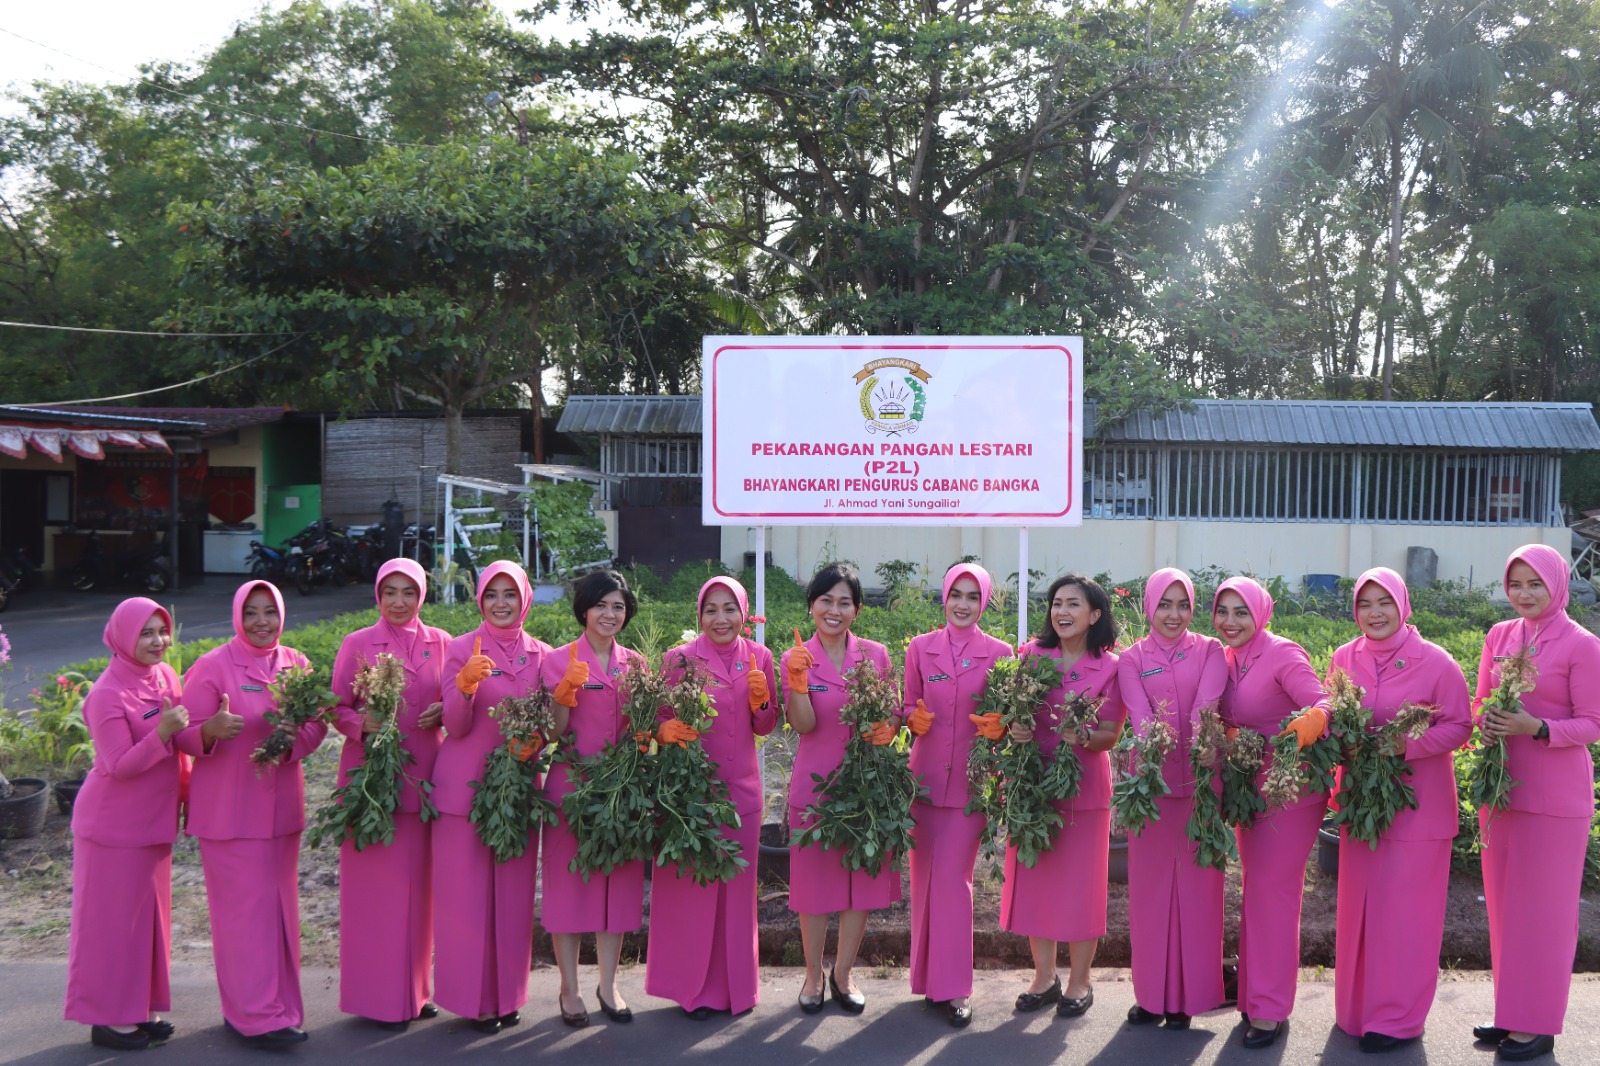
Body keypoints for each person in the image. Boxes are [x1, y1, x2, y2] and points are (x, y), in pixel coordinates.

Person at [1325, 566, 1470, 1053]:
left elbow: (1459, 727)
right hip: (1361, 804)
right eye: (1365, 604)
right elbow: (1334, 714)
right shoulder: (1346, 656)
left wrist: (1403, 745)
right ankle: (1355, 1009)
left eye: (1383, 601)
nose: (1374, 613)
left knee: (1407, 915)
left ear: (1403, 605)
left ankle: (1399, 1019)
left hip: (1418, 808)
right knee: (1360, 908)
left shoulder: (1435, 661)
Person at [177, 581, 326, 1050]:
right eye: (252, 612)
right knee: (243, 917)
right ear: (237, 616)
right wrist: (211, 731)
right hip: (229, 815)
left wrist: (290, 739)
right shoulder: (212, 666)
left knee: (278, 913)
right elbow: (181, 736)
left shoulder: (295, 664)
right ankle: (252, 1016)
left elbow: (317, 725)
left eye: (270, 612)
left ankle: (279, 1007)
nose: (262, 622)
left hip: (281, 814)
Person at [1473, 544, 1600, 1062]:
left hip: (1555, 798)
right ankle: (1513, 1011)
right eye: (1515, 584)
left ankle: (1537, 1023)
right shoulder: (1500, 636)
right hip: (1503, 790)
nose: (1523, 594)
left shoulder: (1582, 644)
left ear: (1557, 585)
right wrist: (1485, 720)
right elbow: (1481, 699)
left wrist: (1538, 727)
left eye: (1535, 584)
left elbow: (1594, 723)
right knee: (1506, 909)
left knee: (1544, 913)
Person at [645, 575, 778, 1019]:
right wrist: (662, 731)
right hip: (690, 795)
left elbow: (766, 727)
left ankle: (737, 991)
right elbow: (656, 723)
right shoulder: (678, 659)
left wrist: (762, 703)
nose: (720, 619)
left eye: (729, 609)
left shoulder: (759, 656)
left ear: (744, 612)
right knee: (693, 892)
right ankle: (692, 990)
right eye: (711, 609)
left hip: (742, 793)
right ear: (699, 614)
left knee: (737, 895)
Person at [327, 558, 450, 1031]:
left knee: (420, 891)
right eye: (389, 592)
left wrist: (444, 708)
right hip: (371, 783)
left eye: (409, 592)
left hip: (421, 777)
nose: (399, 602)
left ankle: (416, 991)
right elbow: (335, 705)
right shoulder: (358, 643)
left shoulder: (441, 642)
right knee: (375, 893)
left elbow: (455, 695)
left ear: (422, 596)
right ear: (377, 595)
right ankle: (376, 997)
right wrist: (360, 723)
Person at [63, 598, 189, 1050]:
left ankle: (139, 1008)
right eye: (147, 633)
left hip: (153, 824)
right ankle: (109, 1020)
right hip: (112, 828)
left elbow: (183, 732)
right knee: (113, 926)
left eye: (162, 631)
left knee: (147, 924)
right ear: (123, 637)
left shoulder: (167, 677)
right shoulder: (106, 694)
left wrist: (212, 730)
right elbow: (118, 764)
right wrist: (161, 733)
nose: (158, 641)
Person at [432, 560, 551, 1033]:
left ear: (524, 598)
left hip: (517, 788)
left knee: (513, 897)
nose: (501, 603)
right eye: (492, 595)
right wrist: (463, 687)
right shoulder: (461, 649)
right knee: (465, 898)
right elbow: (455, 726)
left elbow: (548, 721)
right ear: (479, 599)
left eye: (510, 594)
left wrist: (536, 741)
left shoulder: (542, 654)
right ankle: (470, 999)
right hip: (463, 790)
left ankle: (506, 996)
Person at [999, 573, 1125, 1020]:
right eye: (1056, 603)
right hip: (1034, 785)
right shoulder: (1031, 656)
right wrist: (1016, 729)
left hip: (1083, 791)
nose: (1062, 612)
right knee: (1037, 879)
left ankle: (1080, 979)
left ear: (1094, 615)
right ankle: (1044, 975)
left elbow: (1112, 731)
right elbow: (1013, 712)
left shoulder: (1113, 667)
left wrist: (1087, 736)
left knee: (1081, 887)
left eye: (1073, 604)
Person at [1213, 575, 1330, 1049]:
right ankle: (1253, 995)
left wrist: (1313, 720)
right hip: (1251, 788)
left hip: (1290, 791)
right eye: (1223, 611)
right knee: (1257, 891)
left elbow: (1322, 701)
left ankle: (1270, 1009)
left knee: (1274, 893)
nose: (1230, 622)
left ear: (1261, 612)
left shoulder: (1282, 652)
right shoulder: (1228, 657)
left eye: (1241, 612)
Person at [781, 562, 899, 1016]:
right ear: (811, 605)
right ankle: (813, 975)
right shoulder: (799, 656)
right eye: (825, 600)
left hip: (867, 787)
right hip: (815, 785)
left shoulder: (875, 654)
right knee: (813, 888)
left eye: (844, 602)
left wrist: (889, 727)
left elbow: (892, 713)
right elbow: (805, 725)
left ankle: (844, 975)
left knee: (861, 886)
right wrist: (796, 681)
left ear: (857, 609)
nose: (834, 609)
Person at [1115, 568, 1229, 1029]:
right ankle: (1151, 996)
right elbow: (1140, 717)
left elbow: (1207, 705)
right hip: (1154, 789)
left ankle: (1190, 996)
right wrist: (1151, 753)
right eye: (1165, 604)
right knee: (1151, 892)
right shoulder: (1132, 658)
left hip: (1203, 786)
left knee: (1200, 892)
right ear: (1149, 606)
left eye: (1183, 605)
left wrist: (1203, 745)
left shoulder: (1210, 651)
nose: (1174, 614)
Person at [903, 562, 1012, 1028]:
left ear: (983, 601)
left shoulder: (1000, 652)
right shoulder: (919, 648)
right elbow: (907, 702)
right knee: (923, 881)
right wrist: (912, 719)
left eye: (972, 596)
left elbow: (1008, 712)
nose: (963, 604)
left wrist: (1000, 726)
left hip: (972, 783)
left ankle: (955, 988)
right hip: (923, 781)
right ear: (944, 598)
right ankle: (929, 979)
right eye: (956, 595)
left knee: (953, 881)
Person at [541, 568, 647, 1028]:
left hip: (621, 790)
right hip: (571, 787)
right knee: (569, 890)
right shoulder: (557, 660)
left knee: (616, 889)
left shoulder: (637, 664)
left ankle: (609, 984)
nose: (609, 613)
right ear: (583, 608)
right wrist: (564, 695)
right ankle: (569, 988)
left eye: (618, 606)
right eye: (601, 604)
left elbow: (643, 727)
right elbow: (549, 734)